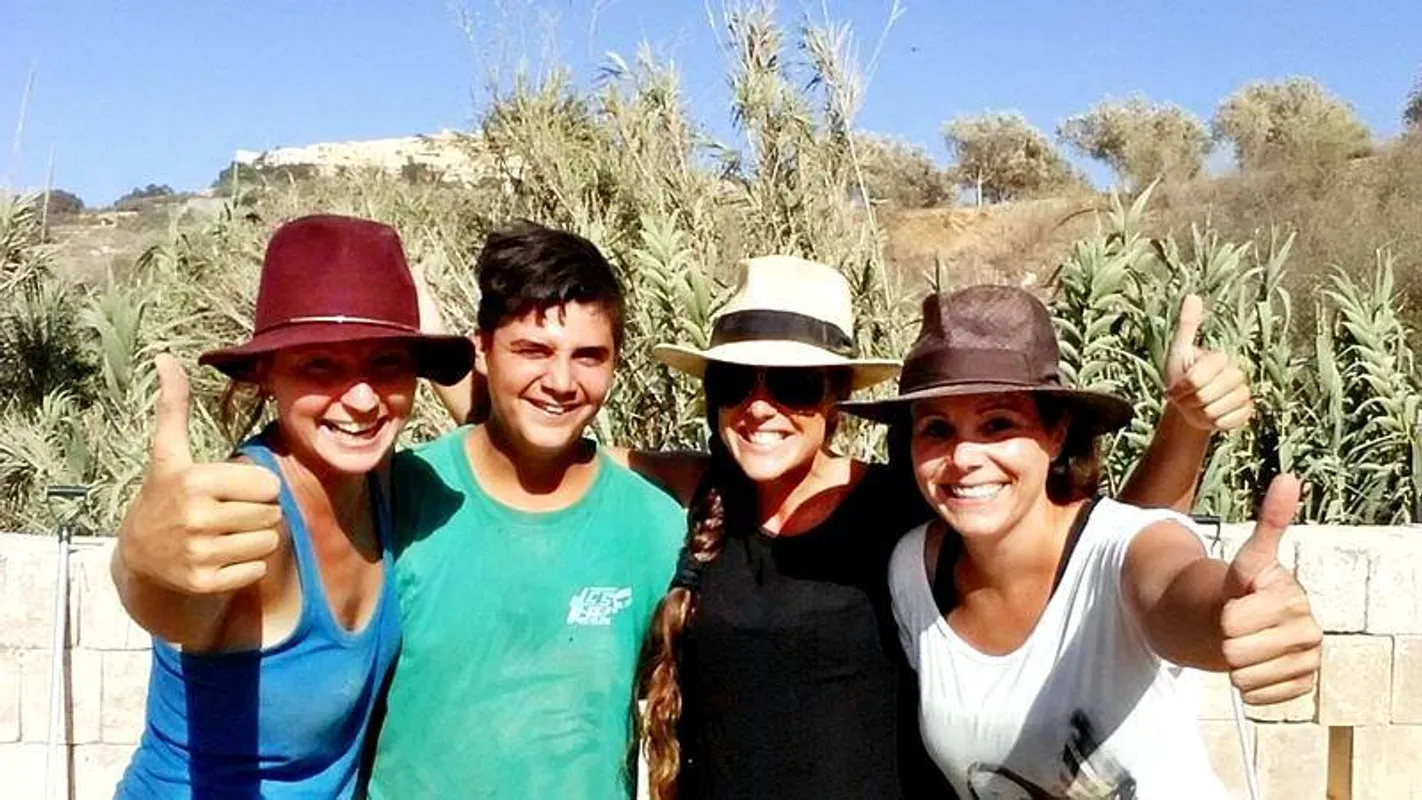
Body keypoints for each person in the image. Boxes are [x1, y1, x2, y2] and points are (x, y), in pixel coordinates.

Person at [635, 257, 1257, 799]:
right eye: (734, 381)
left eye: (795, 385)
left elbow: (1108, 554)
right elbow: (578, 465)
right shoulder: (697, 503)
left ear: (837, 396)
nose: (760, 406)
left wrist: (1186, 427)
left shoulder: (918, 509)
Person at [840, 285, 1321, 798]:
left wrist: (1234, 617)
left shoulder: (1123, 549)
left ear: (1056, 433)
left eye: (998, 424)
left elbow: (1175, 591)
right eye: (937, 429)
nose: (963, 457)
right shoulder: (914, 571)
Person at [112, 215, 474, 798]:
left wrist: (424, 315)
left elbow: (500, 441)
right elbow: (175, 601)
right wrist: (137, 562)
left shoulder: (374, 477)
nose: (361, 400)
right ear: (265, 374)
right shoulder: (254, 509)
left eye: (388, 363)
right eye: (321, 366)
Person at [362, 221, 687, 798]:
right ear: (481, 351)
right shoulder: (400, 495)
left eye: (589, 356)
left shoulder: (655, 527)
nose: (561, 381)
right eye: (532, 350)